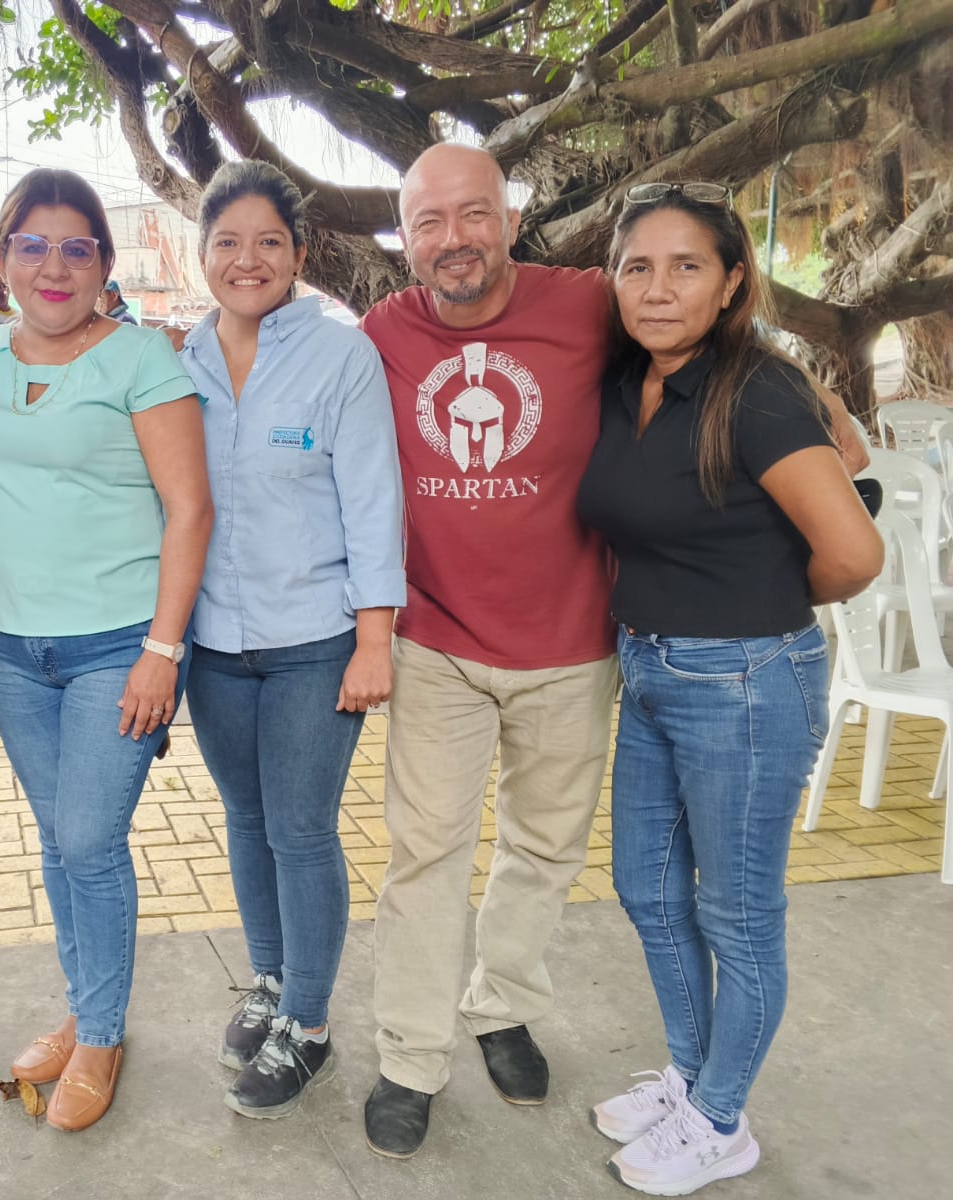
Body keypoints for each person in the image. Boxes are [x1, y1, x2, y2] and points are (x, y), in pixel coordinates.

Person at [576, 183, 881, 1195]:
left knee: (737, 916)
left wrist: (761, 600)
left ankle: (720, 1119)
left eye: (687, 266)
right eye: (637, 267)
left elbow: (854, 554)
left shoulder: (756, 393)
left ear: (732, 281)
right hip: (648, 666)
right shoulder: (631, 380)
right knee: (646, 888)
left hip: (746, 680)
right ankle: (689, 1076)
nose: (658, 289)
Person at [357, 142, 624, 1160]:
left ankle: (502, 1003)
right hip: (437, 640)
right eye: (428, 221)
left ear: (510, 220)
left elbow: (704, 331)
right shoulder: (383, 333)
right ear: (405, 240)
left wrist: (817, 407)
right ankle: (410, 1056)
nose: (454, 238)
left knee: (545, 848)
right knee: (425, 856)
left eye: (474, 213)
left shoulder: (589, 304)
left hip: (572, 640)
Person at [0, 168, 211, 1132]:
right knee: (58, 838)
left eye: (76, 247)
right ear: (2, 258)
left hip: (119, 643)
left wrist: (163, 651)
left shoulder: (140, 358)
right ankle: (82, 1008)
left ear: (103, 264)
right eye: (33, 245)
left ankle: (101, 1034)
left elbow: (190, 510)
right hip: (14, 647)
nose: (53, 266)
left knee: (90, 841)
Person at [177, 160, 405, 1119]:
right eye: (228, 242)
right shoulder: (181, 360)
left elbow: (374, 500)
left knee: (301, 828)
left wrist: (374, 639)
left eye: (269, 241)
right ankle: (270, 981)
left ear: (299, 254)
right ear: (202, 254)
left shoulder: (342, 357)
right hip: (214, 643)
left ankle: (308, 1024)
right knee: (246, 819)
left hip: (316, 638)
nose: (249, 260)